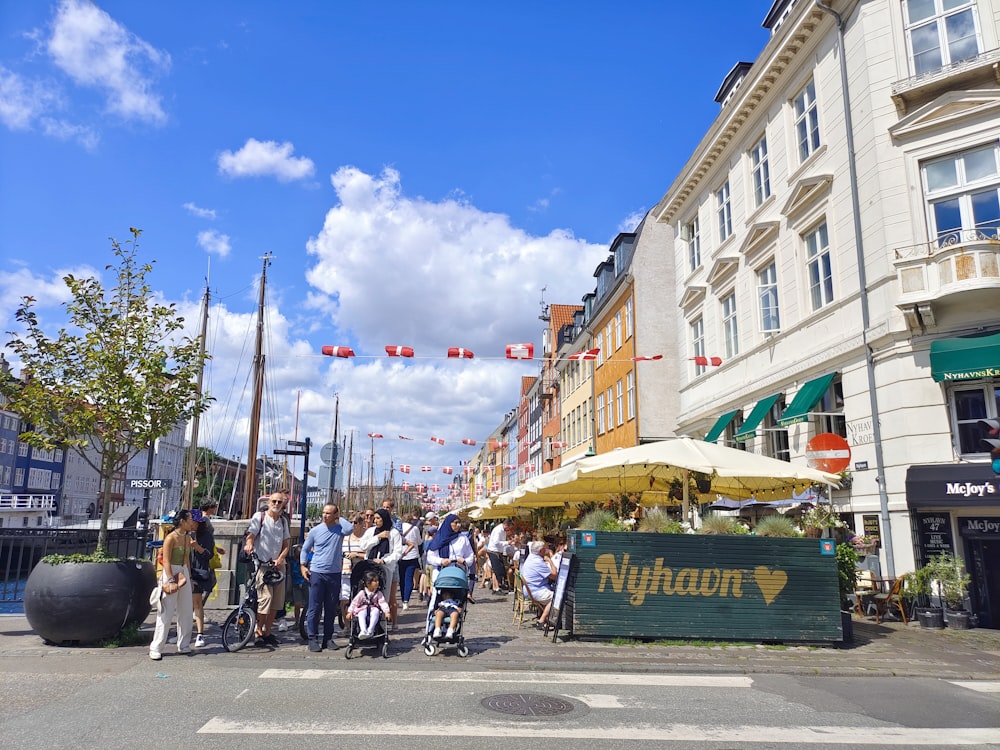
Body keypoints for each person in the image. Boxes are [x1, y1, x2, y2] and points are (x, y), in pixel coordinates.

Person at [300, 503, 353, 651]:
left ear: (335, 514)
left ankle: (328, 638)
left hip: (334, 573)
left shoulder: (339, 530)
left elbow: (350, 529)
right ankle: (312, 638)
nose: (325, 515)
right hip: (317, 572)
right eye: (324, 512)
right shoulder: (315, 531)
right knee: (314, 607)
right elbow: (304, 549)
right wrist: (303, 565)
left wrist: (339, 517)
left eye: (329, 513)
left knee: (330, 607)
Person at [243, 488, 291, 647]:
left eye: (279, 502)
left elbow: (286, 544)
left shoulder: (283, 521)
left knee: (277, 602)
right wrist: (249, 544)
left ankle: (267, 632)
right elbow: (251, 535)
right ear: (269, 503)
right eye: (274, 502)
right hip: (263, 565)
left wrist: (281, 558)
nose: (276, 504)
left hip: (278, 566)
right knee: (265, 599)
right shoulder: (260, 517)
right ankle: (258, 631)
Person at [149, 508, 198, 660]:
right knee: (166, 611)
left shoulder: (187, 537)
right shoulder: (171, 538)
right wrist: (169, 579)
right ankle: (156, 647)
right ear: (182, 521)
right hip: (171, 571)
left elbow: (186, 559)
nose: (192, 522)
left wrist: (189, 578)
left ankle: (183, 644)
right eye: (189, 519)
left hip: (183, 572)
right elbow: (166, 560)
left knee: (186, 611)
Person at [359, 508, 403, 628]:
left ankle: (382, 625)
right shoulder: (371, 531)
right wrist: (377, 537)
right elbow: (363, 545)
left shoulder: (394, 533)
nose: (376, 520)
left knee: (384, 596)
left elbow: (398, 552)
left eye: (379, 518)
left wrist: (384, 560)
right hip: (370, 566)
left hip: (385, 568)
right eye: (375, 518)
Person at [188, 508, 215, 648]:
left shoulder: (206, 536)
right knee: (184, 605)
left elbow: (209, 555)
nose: (190, 524)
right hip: (185, 571)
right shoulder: (184, 534)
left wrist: (196, 546)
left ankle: (200, 634)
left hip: (198, 572)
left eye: (192, 521)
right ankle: (184, 633)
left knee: (197, 603)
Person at [340, 510, 370, 634]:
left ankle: (361, 625)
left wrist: (357, 554)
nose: (353, 525)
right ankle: (348, 627)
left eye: (356, 522)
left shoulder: (365, 537)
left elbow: (370, 555)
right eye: (351, 522)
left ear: (362, 523)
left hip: (360, 572)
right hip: (345, 572)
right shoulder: (344, 537)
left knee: (360, 600)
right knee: (344, 599)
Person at [425, 513, 475, 581]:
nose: (458, 525)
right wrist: (441, 561)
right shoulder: (439, 538)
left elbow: (470, 555)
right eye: (456, 523)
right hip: (441, 574)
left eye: (459, 523)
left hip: (458, 574)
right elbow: (430, 557)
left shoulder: (463, 538)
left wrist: (464, 561)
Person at [520, 540, 557, 626]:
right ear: (540, 551)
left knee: (549, 589)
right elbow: (554, 575)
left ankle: (542, 615)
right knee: (555, 598)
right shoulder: (538, 562)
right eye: (545, 549)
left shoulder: (531, 557)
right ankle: (542, 620)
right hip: (534, 591)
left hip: (529, 588)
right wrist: (550, 561)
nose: (546, 550)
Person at [345, 569, 390, 638]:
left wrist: (386, 611)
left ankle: (370, 630)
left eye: (377, 580)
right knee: (361, 614)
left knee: (376, 612)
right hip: (362, 609)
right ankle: (363, 630)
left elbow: (382, 602)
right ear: (368, 583)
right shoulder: (362, 593)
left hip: (374, 608)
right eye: (375, 581)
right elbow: (355, 603)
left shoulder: (378, 593)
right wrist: (350, 611)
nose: (377, 582)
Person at [379, 498, 403, 622]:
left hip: (391, 562)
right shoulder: (377, 522)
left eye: (387, 507)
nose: (385, 509)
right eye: (384, 507)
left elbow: (397, 537)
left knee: (392, 595)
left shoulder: (396, 522)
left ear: (392, 509)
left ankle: (394, 621)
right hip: (378, 561)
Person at [398, 512, 422, 610]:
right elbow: (419, 542)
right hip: (412, 556)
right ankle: (406, 601)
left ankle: (403, 597)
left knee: (402, 579)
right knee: (409, 578)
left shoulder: (398, 529)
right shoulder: (415, 529)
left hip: (400, 555)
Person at [486, 519, 515, 594]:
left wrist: (508, 543)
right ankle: (496, 588)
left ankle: (496, 587)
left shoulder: (503, 531)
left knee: (498, 570)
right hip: (494, 551)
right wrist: (507, 542)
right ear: (506, 525)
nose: (509, 530)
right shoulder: (498, 530)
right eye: (509, 528)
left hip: (498, 551)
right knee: (497, 570)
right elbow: (496, 542)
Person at [289, 543, 308, 630]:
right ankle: (297, 621)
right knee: (297, 604)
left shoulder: (306, 561)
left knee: (310, 603)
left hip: (305, 583)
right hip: (296, 584)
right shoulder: (291, 560)